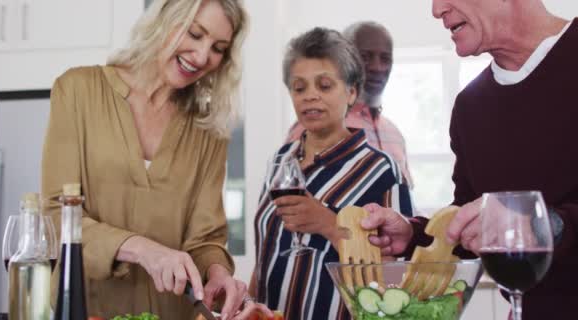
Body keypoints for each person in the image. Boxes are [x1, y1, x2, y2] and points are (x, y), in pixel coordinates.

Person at [41, 1, 271, 319]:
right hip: (85, 307)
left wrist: (217, 272)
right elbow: (55, 216)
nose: (203, 56)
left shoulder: (208, 128)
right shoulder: (78, 91)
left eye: (218, 48)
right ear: (165, 20)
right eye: (194, 33)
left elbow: (205, 238)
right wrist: (142, 249)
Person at [361, 0, 578, 319]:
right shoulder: (471, 106)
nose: (436, 10)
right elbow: (470, 217)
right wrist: (413, 234)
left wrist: (546, 227)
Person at [250, 27, 414, 320]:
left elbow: (395, 279)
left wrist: (328, 224)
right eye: (299, 88)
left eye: (324, 86)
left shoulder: (381, 169)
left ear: (351, 92)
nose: (310, 96)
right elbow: (267, 252)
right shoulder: (281, 160)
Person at [286, 21, 414, 188]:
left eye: (385, 58)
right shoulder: (312, 125)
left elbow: (406, 201)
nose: (377, 67)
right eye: (366, 57)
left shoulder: (394, 133)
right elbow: (290, 203)